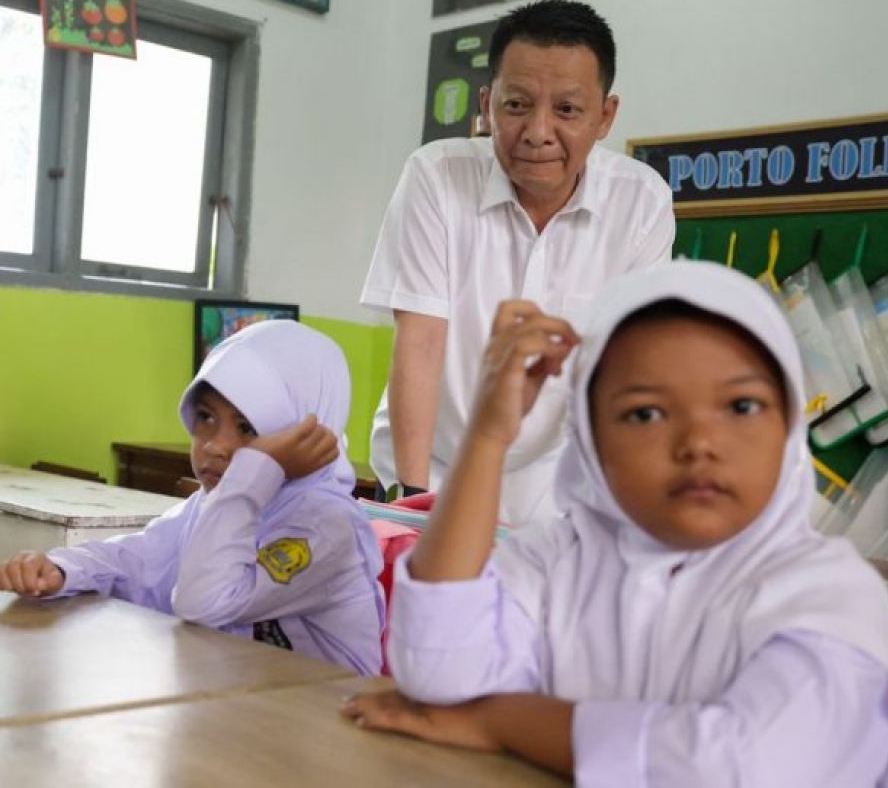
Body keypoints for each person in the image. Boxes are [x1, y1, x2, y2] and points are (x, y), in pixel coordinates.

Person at [343, 262, 888, 784]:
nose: (699, 443)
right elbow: (438, 674)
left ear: (790, 426)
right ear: (590, 439)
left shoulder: (835, 593)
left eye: (742, 406)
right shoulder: (558, 560)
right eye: (645, 413)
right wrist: (489, 435)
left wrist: (500, 722)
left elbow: (734, 768)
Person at [360, 0, 674, 526]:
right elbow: (420, 341)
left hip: (557, 486)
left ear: (605, 116)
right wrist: (410, 505)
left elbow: (628, 366)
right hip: (435, 466)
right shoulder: (436, 178)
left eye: (568, 110)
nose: (538, 132)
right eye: (517, 105)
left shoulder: (641, 203)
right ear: (487, 105)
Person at [0, 320, 386, 676]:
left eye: (247, 427)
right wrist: (61, 569)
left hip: (325, 731)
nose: (214, 445)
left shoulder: (325, 525)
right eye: (205, 417)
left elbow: (204, 602)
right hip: (245, 714)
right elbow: (139, 561)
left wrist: (255, 470)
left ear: (305, 431)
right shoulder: (218, 503)